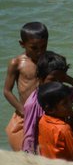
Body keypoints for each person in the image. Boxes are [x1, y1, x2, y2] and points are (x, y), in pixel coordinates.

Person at [22, 51, 73, 155]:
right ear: (40, 79)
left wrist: (70, 80)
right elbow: (29, 136)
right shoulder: (33, 104)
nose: (57, 83)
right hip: (47, 149)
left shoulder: (63, 94)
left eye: (61, 80)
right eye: (52, 79)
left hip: (65, 141)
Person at [3, 22, 48, 151]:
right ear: (22, 44)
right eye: (34, 48)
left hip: (46, 113)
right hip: (24, 114)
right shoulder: (16, 63)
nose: (40, 51)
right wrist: (22, 110)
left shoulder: (49, 60)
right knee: (23, 150)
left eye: (43, 46)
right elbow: (7, 91)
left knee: (46, 151)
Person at [37, 82, 73, 162]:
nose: (71, 105)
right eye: (65, 103)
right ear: (50, 109)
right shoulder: (64, 129)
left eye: (70, 101)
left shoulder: (42, 120)